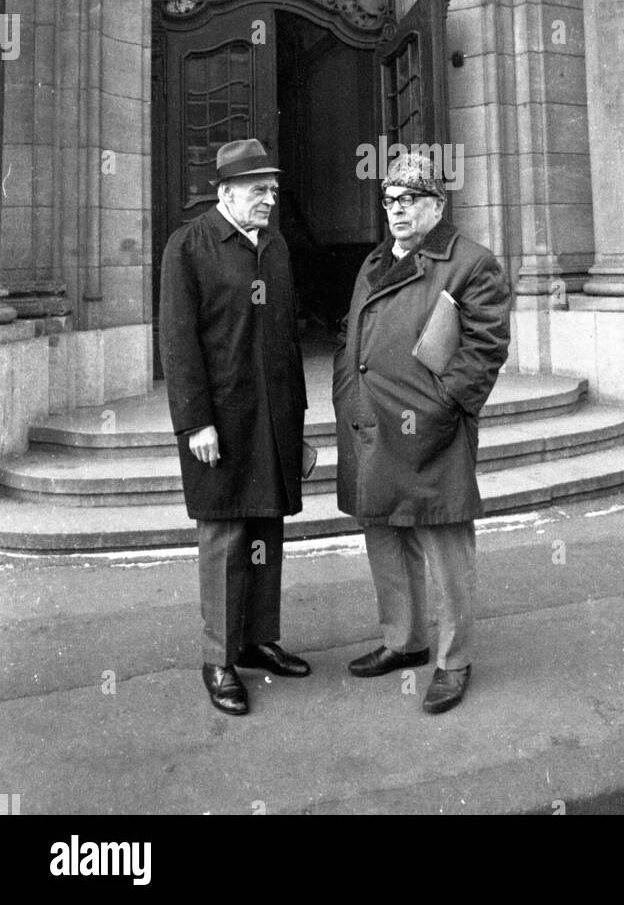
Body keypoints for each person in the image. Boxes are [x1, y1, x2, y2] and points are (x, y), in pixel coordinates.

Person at [333, 152, 511, 714]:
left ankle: (453, 661)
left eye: (409, 201)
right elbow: (353, 333)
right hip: (371, 420)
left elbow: (485, 349)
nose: (397, 211)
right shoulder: (375, 261)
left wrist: (441, 406)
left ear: (437, 205)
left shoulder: (472, 262)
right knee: (384, 532)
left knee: (443, 540)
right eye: (389, 201)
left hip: (431, 426)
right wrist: (346, 390)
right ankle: (403, 641)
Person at [159, 138, 311, 715]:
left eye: (272, 189)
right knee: (225, 536)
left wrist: (298, 419)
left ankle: (256, 641)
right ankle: (218, 658)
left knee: (265, 531)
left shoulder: (275, 247)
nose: (269, 199)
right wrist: (195, 421)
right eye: (258, 190)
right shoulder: (189, 246)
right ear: (225, 193)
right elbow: (178, 343)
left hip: (274, 416)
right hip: (219, 422)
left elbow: (288, 340)